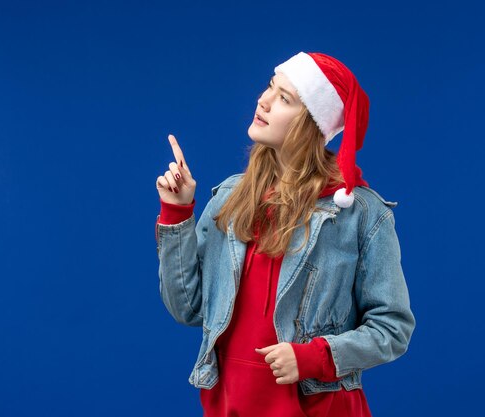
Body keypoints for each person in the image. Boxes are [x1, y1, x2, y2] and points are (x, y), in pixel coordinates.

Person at [154, 51, 416, 417]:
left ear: (311, 124)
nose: (262, 100)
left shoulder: (360, 214)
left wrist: (315, 357)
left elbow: (393, 328)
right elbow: (188, 308)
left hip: (319, 408)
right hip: (230, 405)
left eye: (284, 98)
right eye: (270, 88)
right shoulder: (229, 198)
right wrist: (177, 212)